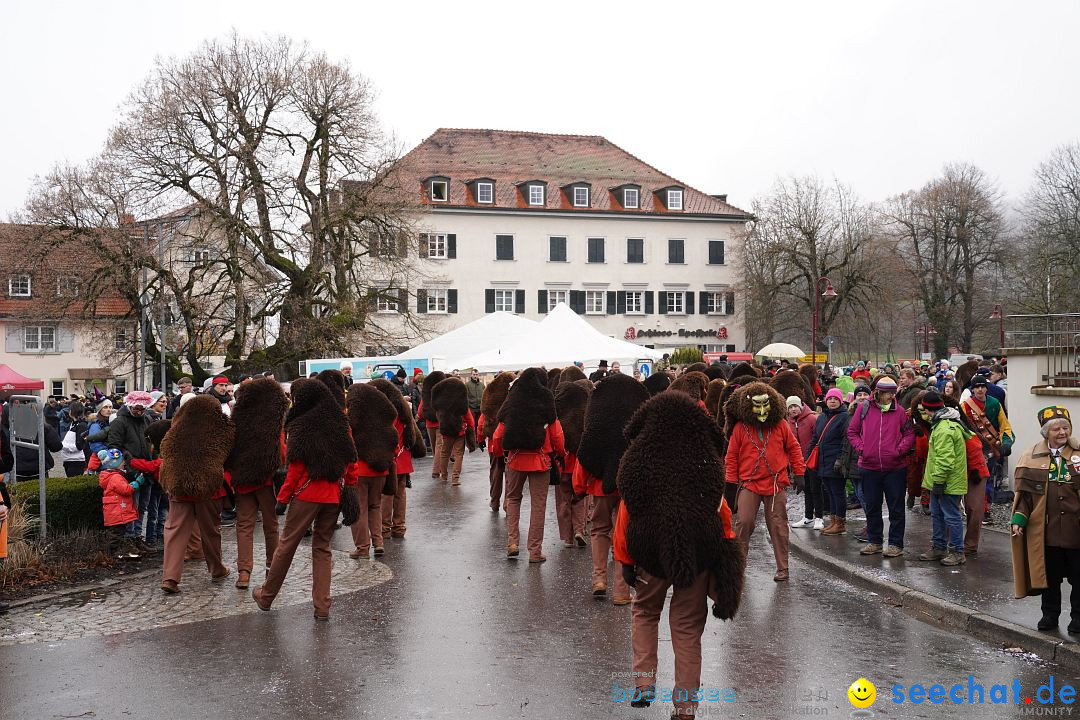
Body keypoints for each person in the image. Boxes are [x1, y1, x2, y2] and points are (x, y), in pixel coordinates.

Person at [613, 391, 745, 720]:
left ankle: (644, 682)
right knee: (686, 629)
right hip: (696, 555)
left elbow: (626, 517)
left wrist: (625, 561)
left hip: (649, 552)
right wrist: (728, 572)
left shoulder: (639, 462)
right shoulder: (705, 466)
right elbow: (723, 518)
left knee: (644, 611)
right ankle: (685, 707)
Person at [254, 379, 359, 620]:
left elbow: (296, 469)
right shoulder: (340, 423)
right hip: (333, 494)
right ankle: (322, 606)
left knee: (287, 545)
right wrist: (349, 488)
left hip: (307, 494)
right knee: (322, 548)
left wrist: (283, 498)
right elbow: (351, 460)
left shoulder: (301, 425)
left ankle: (267, 596)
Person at [574, 373, 650, 600]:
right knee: (624, 532)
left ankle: (599, 579)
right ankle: (621, 590)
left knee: (599, 529)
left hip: (600, 484)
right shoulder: (638, 414)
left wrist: (579, 487)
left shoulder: (597, 416)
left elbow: (587, 447)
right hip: (629, 485)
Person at [1011, 406, 1080, 634]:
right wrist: (1018, 522)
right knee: (1049, 579)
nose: (1062, 432)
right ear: (1045, 432)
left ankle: (1078, 619)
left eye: (1066, 427)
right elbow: (1025, 499)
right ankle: (1049, 616)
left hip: (1076, 532)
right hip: (1046, 533)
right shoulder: (1031, 457)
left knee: (1079, 580)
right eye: (1057, 428)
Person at [726, 382, 804, 581]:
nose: (761, 411)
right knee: (744, 522)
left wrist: (800, 472)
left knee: (778, 525)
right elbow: (731, 456)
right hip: (749, 483)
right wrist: (730, 484)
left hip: (776, 483)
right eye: (756, 406)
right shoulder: (740, 428)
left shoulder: (780, 425)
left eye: (765, 405)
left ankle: (783, 568)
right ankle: (738, 567)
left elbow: (794, 448)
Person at [159, 394, 235, 593]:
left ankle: (170, 577)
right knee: (210, 530)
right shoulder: (221, 430)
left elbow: (165, 452)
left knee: (174, 531)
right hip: (207, 487)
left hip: (178, 485)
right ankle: (217, 569)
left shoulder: (176, 429)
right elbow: (228, 457)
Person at [491, 367, 565, 563]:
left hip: (514, 459)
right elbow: (556, 433)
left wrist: (501, 454)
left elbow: (499, 434)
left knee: (513, 498)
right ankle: (534, 551)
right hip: (540, 460)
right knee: (538, 504)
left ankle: (513, 543)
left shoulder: (512, 399)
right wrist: (559, 453)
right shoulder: (546, 398)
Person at [224, 377, 288, 589]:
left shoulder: (237, 419)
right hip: (266, 480)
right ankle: (272, 568)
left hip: (242, 478)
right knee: (271, 525)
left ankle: (244, 572)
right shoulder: (272, 422)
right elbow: (280, 452)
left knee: (244, 526)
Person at [846, 376, 914, 558]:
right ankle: (875, 541)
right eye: (887, 394)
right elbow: (852, 432)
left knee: (896, 508)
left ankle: (895, 544)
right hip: (869, 466)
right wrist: (862, 449)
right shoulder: (864, 409)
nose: (891, 397)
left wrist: (898, 451)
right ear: (878, 393)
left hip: (895, 468)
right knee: (872, 506)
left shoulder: (899, 412)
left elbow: (909, 434)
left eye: (893, 393)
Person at [914, 392, 970, 566]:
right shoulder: (942, 424)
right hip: (941, 481)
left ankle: (957, 551)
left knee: (951, 517)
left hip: (947, 483)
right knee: (938, 515)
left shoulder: (944, 429)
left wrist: (938, 482)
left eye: (924, 410)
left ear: (930, 410)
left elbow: (945, 460)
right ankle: (939, 547)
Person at [346, 382, 399, 559]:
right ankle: (378, 543)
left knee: (359, 509)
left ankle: (362, 548)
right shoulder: (383, 420)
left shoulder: (355, 419)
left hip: (360, 470)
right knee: (375, 506)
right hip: (381, 471)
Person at [962, 375, 1014, 511]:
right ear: (972, 390)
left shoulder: (995, 403)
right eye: (976, 387)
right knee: (977, 481)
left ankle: (984, 507)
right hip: (974, 450)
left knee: (989, 479)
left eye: (982, 386)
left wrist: (1007, 442)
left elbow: (1005, 426)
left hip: (992, 449)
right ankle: (980, 509)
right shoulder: (965, 406)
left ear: (986, 388)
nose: (980, 389)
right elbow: (962, 430)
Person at [806, 388, 851, 535]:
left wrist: (840, 460)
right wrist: (807, 458)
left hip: (835, 460)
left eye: (835, 399)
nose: (832, 401)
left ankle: (840, 522)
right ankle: (833, 521)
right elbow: (814, 439)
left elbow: (846, 440)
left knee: (838, 492)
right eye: (830, 399)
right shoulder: (822, 417)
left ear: (840, 401)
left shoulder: (845, 417)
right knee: (829, 492)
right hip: (822, 460)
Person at [554, 379, 589, 548]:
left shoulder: (558, 415)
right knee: (579, 498)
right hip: (579, 463)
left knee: (563, 500)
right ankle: (579, 530)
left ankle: (567, 537)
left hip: (563, 462)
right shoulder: (584, 415)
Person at [96, 448, 146, 559]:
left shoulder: (111, 476)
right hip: (117, 512)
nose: (124, 463)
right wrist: (137, 482)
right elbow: (126, 490)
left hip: (115, 512)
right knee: (116, 534)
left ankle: (114, 553)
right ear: (115, 464)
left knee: (117, 533)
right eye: (122, 462)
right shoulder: (116, 477)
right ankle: (110, 555)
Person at [431, 376, 477, 486]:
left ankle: (444, 476)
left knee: (444, 453)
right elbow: (469, 418)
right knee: (458, 454)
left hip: (446, 430)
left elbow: (438, 415)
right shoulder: (461, 402)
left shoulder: (442, 404)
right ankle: (455, 478)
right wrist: (471, 429)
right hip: (460, 430)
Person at [479, 372, 514, 512]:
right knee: (509, 474)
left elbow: (482, 420)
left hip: (494, 442)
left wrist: (480, 438)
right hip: (510, 441)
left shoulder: (490, 396)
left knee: (495, 472)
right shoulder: (513, 396)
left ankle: (494, 502)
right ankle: (507, 504)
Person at [786, 396, 822, 529]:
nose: (793, 409)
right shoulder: (788, 422)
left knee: (815, 488)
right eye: (790, 407)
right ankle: (808, 517)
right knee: (806, 489)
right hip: (799, 461)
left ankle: (819, 517)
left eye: (795, 406)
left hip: (812, 459)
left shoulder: (811, 418)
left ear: (801, 406)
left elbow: (817, 438)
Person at [60, 401, 88, 476]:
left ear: (72, 411)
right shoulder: (73, 424)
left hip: (76, 461)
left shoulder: (81, 425)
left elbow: (79, 446)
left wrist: (62, 446)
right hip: (69, 460)